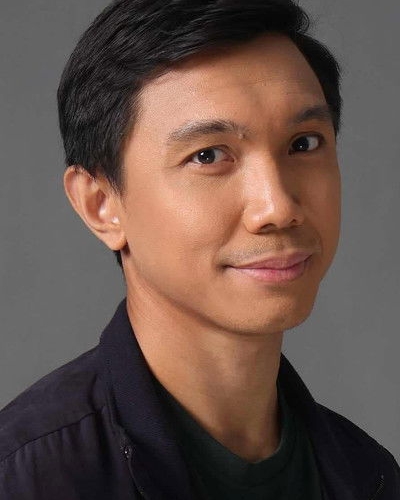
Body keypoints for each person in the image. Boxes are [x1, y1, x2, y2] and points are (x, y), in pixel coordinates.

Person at [0, 0, 399, 498]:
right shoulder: (28, 479)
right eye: (208, 155)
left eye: (304, 144)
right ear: (101, 204)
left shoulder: (367, 474)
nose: (277, 207)